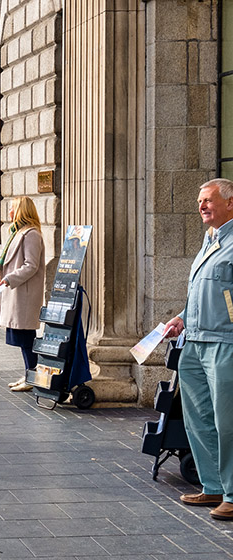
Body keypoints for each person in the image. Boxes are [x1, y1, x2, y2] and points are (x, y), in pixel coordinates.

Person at [163, 178, 233, 521]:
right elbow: (200, 291)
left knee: (227, 422)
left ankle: (232, 494)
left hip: (225, 344)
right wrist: (180, 319)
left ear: (230, 203)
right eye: (199, 201)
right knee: (199, 420)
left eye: (208, 200)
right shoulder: (210, 240)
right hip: (194, 343)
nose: (201, 206)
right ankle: (214, 486)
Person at [0, 196, 46, 392]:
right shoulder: (18, 232)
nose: (9, 212)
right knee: (23, 338)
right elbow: (12, 262)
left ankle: (33, 376)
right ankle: (30, 374)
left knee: (26, 338)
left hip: (24, 294)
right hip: (16, 291)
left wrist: (9, 279)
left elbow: (31, 265)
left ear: (21, 211)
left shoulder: (31, 234)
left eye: (12, 208)